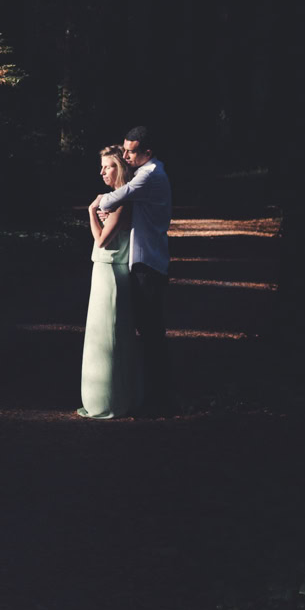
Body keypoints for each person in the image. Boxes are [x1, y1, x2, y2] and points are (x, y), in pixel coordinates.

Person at [89, 126, 172, 415]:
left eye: (130, 151)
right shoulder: (148, 172)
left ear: (147, 152)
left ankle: (156, 399)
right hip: (148, 260)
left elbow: (113, 199)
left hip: (148, 263)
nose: (125, 155)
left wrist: (98, 206)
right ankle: (149, 394)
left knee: (150, 333)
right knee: (146, 331)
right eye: (123, 149)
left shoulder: (149, 176)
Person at [78, 146, 137, 419]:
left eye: (108, 166)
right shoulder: (114, 200)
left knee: (110, 334)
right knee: (101, 334)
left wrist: (91, 211)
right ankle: (103, 396)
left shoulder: (123, 202)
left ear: (120, 168)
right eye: (101, 167)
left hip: (112, 272)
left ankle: (109, 400)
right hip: (103, 271)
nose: (102, 172)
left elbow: (101, 241)